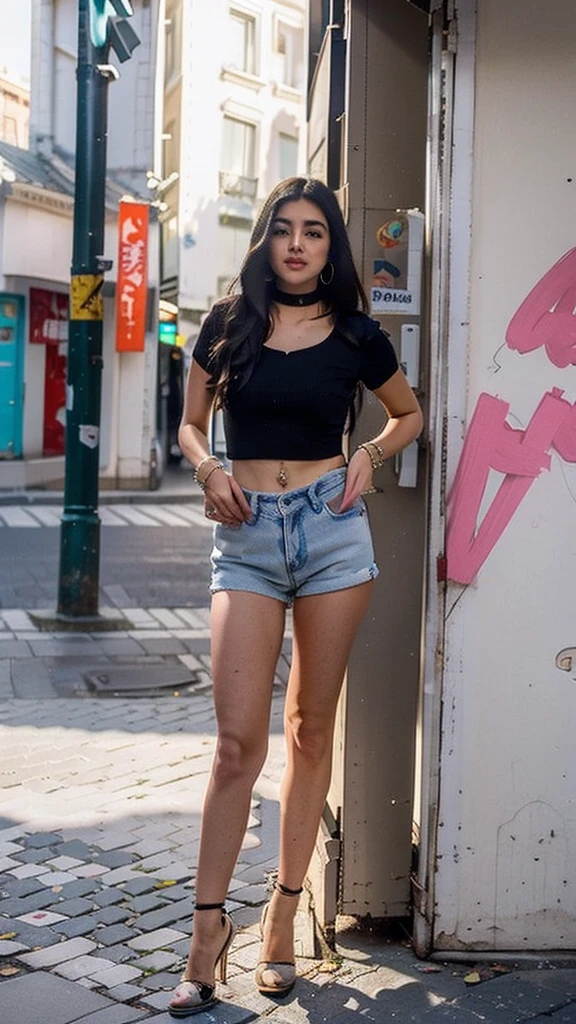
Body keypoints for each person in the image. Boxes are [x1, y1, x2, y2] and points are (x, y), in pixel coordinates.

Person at [168, 177, 423, 1017]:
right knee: (236, 744)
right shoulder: (228, 323)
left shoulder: (357, 333)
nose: (298, 244)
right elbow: (192, 421)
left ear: (331, 246)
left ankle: (280, 919)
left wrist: (369, 456)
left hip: (331, 535)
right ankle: (208, 934)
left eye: (314, 231)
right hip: (243, 539)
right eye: (284, 230)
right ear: (266, 241)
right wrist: (206, 468)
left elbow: (408, 415)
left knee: (311, 730)